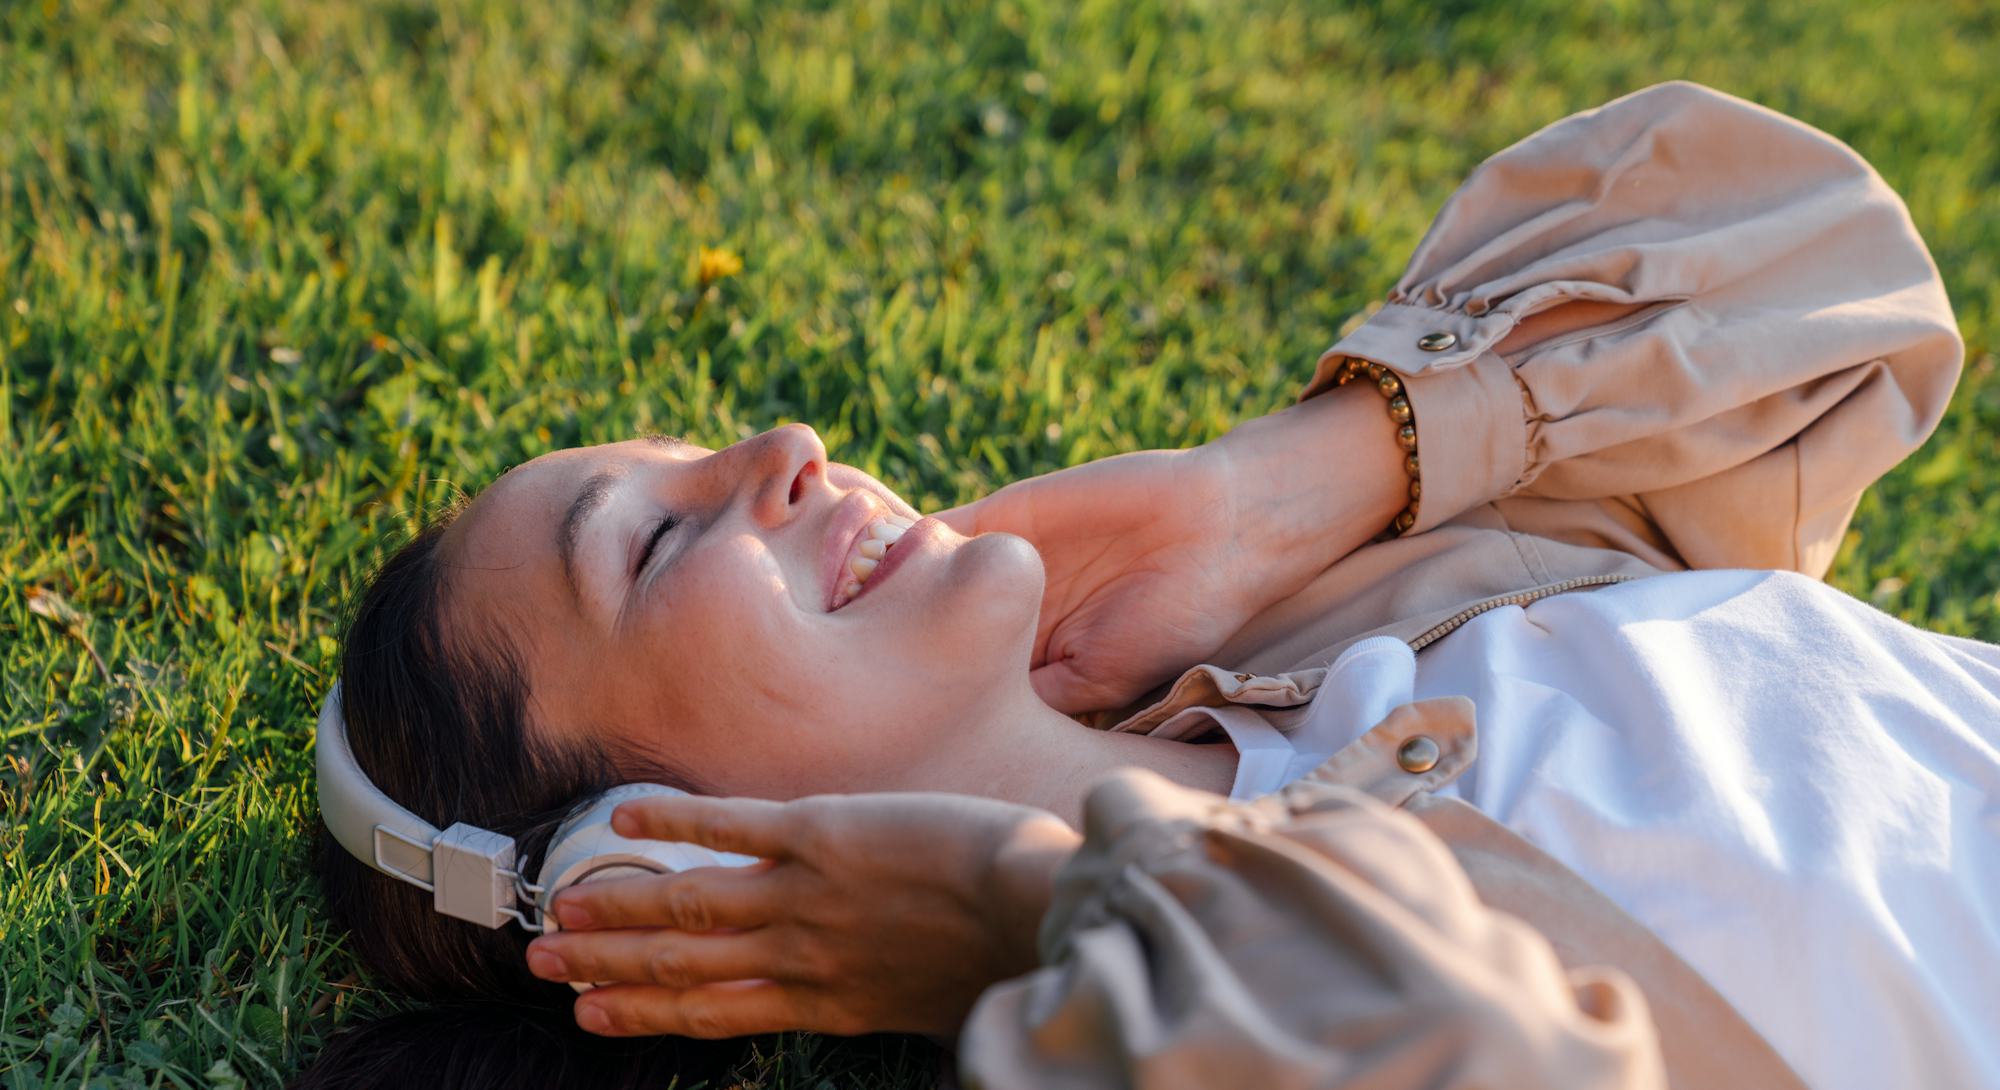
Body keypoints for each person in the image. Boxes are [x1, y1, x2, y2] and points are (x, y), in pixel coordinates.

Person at [294, 82, 1984, 1090]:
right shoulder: (1172, 1033)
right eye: (659, 541)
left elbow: (1830, 276)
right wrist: (1036, 912)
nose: (787, 445)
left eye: (693, 451)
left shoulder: (1347, 640)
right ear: (640, 856)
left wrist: (1288, 484)